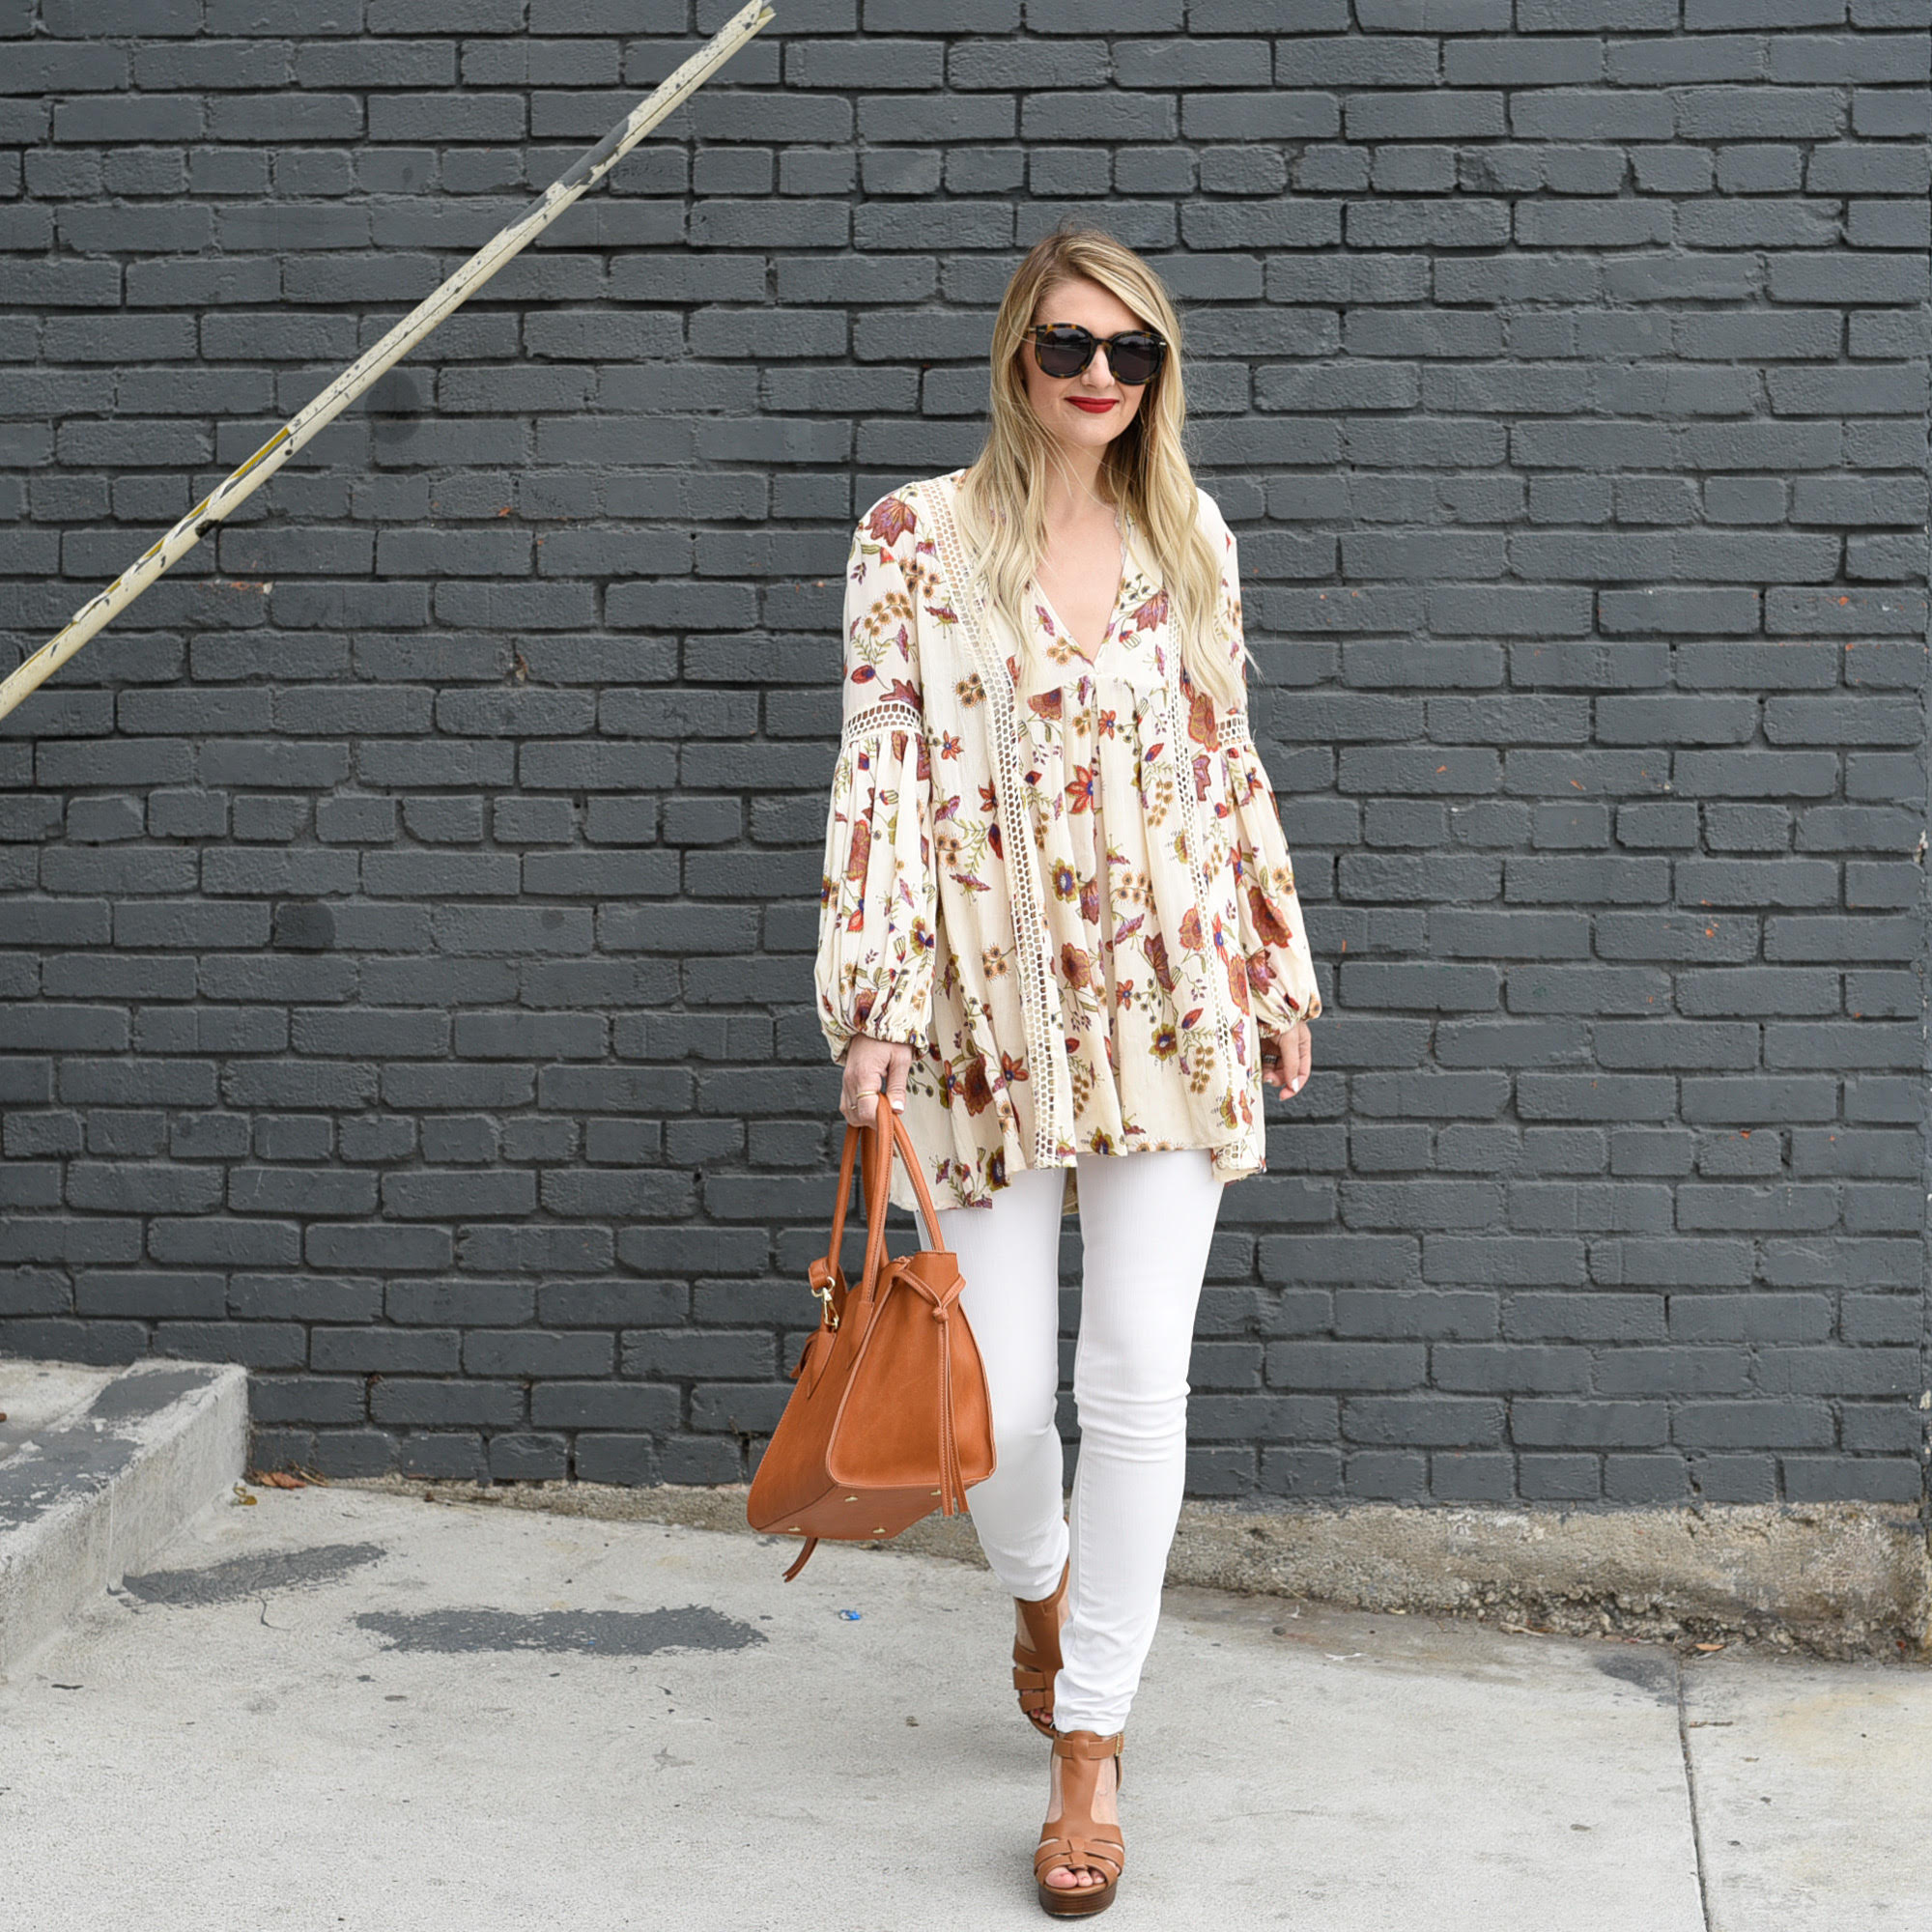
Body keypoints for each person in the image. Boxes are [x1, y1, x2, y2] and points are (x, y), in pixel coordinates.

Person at [810, 225, 1321, 1917]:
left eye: (1133, 354)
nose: (1101, 377)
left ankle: (1089, 1742)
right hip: (978, 1016)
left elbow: (1228, 763)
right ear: (1015, 359)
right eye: (1069, 348)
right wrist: (870, 1001)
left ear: (1160, 375)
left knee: (1139, 1385)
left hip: (1175, 1004)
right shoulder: (913, 541)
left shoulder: (1193, 538)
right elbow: (878, 776)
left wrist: (1276, 965)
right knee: (1007, 1398)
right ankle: (1040, 1588)